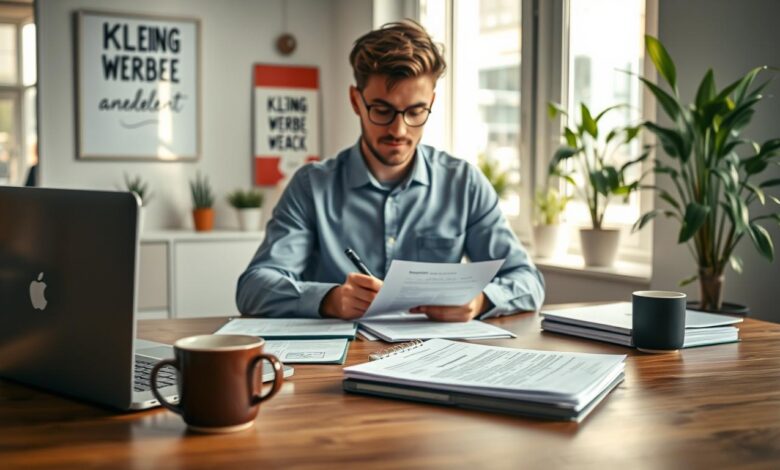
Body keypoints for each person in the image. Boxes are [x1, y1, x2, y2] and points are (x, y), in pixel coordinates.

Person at [237, 20, 544, 321]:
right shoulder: (311, 186)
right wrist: (331, 299)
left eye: (415, 111)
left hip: (433, 362)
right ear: (356, 101)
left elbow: (528, 281)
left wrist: (480, 301)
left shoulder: (464, 184)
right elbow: (254, 287)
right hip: (337, 363)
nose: (399, 130)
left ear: (431, 103)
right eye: (382, 110)